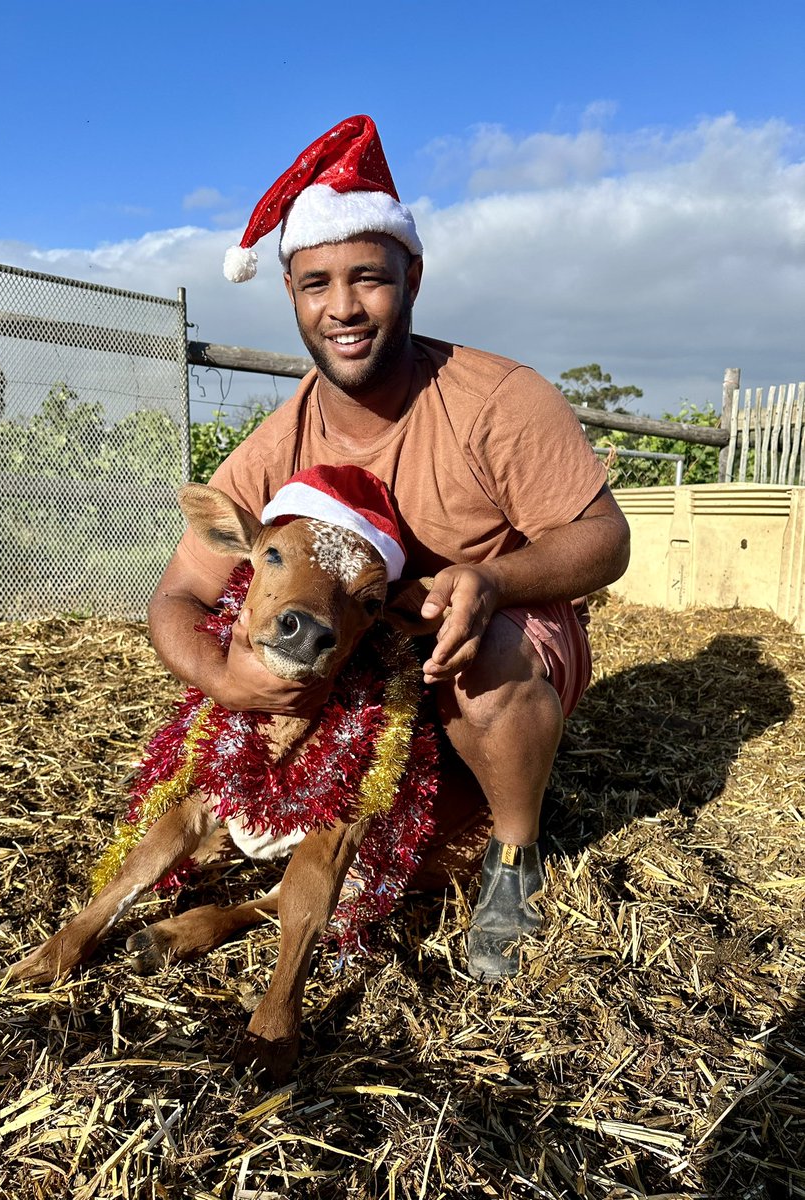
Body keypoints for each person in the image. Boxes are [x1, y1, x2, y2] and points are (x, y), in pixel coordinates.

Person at [149, 115, 630, 979]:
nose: (343, 307)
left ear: (411, 277)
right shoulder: (277, 440)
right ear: (291, 294)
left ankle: (516, 853)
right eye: (316, 284)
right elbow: (177, 598)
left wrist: (491, 577)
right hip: (361, 654)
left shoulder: (496, 399)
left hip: (494, 637)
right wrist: (224, 677)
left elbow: (605, 539)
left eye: (368, 277)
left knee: (476, 647)